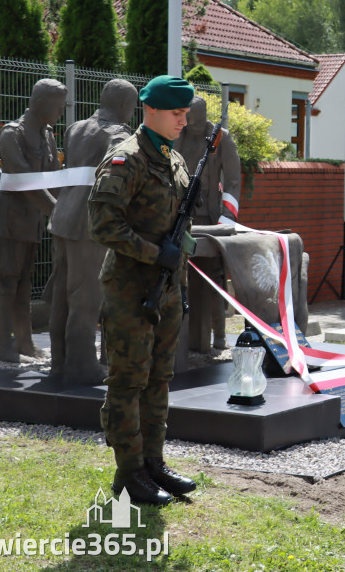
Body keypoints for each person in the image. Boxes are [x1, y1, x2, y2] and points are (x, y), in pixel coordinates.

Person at [88, 75, 199, 505]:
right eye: (177, 112)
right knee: (128, 380)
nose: (184, 120)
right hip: (131, 289)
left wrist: (178, 277)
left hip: (167, 289)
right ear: (150, 110)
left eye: (186, 112)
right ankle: (130, 471)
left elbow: (180, 229)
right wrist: (156, 255)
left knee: (159, 378)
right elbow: (103, 225)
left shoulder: (174, 159)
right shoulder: (126, 159)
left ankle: (154, 462)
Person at [47, 79, 135, 384]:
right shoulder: (118, 134)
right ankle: (81, 366)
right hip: (89, 224)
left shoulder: (76, 128)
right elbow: (119, 175)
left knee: (62, 295)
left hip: (62, 218)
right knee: (86, 297)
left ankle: (59, 362)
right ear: (125, 105)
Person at [0, 78, 67, 362]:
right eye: (58, 106)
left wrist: (71, 207)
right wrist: (58, 212)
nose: (61, 111)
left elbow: (54, 180)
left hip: (31, 224)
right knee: (4, 283)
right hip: (9, 222)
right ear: (41, 102)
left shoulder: (48, 136)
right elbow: (24, 181)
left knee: (23, 285)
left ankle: (24, 343)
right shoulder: (12, 134)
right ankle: (1, 348)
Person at [175, 96, 241, 350]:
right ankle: (184, 337)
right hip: (184, 215)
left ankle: (220, 335)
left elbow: (233, 179)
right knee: (183, 278)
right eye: (190, 121)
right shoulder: (178, 136)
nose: (195, 126)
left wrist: (227, 217)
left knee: (215, 279)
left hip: (212, 217)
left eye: (199, 121)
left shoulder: (221, 138)